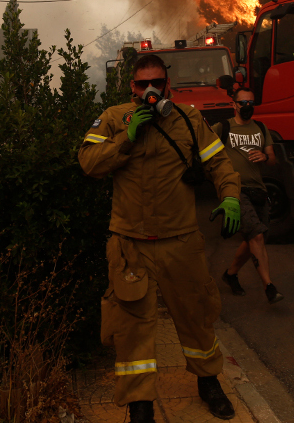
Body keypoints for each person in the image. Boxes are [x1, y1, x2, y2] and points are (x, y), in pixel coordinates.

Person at [78, 54, 243, 423]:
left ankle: (208, 382)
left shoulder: (188, 118)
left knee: (196, 315)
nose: (149, 90)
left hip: (180, 240)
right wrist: (126, 137)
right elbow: (88, 163)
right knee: (132, 328)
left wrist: (230, 194)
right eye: (141, 84)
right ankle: (140, 406)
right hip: (130, 244)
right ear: (131, 87)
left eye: (157, 83)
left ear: (167, 85)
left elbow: (219, 163)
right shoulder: (113, 118)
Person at [213, 87, 284, 304]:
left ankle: (231, 274)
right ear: (234, 105)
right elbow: (206, 154)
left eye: (251, 103)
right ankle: (269, 286)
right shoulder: (223, 127)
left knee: (254, 237)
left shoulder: (262, 128)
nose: (247, 107)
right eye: (243, 103)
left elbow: (273, 160)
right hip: (234, 189)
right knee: (257, 236)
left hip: (258, 189)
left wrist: (264, 156)